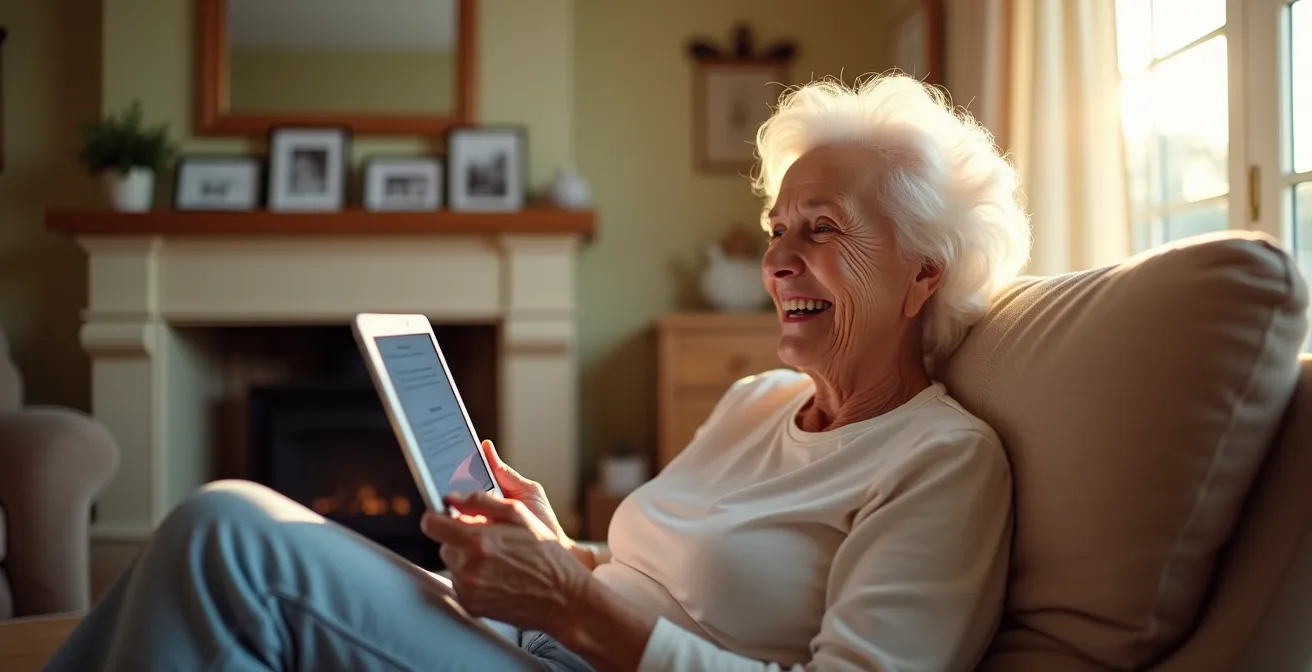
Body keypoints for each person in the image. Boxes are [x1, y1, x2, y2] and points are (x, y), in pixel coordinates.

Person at [44, 74, 1031, 672]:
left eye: (821, 231)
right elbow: (663, 584)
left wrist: (569, 599)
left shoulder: (941, 461)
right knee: (216, 543)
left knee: (230, 538)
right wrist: (561, 552)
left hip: (566, 651)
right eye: (778, 229)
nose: (778, 260)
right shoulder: (754, 404)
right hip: (542, 642)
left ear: (922, 274)